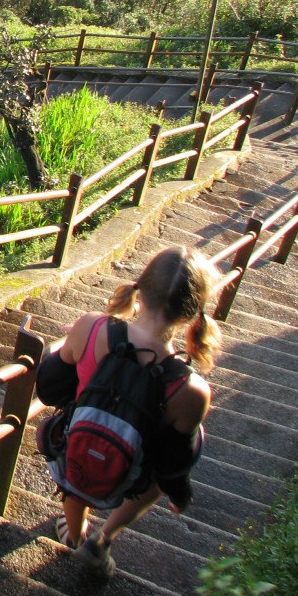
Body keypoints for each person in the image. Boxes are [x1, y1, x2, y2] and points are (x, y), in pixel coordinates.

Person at [41, 246, 221, 578]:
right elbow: (173, 465)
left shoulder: (91, 328)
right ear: (193, 314)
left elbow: (49, 387)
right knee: (157, 479)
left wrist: (76, 349)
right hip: (129, 479)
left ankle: (75, 530)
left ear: (141, 287)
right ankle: (103, 537)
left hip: (73, 456)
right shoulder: (193, 391)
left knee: (76, 442)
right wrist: (181, 496)